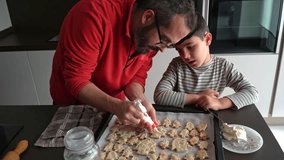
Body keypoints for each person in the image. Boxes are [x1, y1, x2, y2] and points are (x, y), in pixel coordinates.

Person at [50, 0, 197, 130]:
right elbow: (77, 80)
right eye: (164, 40)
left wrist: (141, 101)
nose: (163, 49)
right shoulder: (93, 14)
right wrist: (117, 106)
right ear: (147, 17)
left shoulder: (151, 36)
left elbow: (135, 77)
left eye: (169, 44)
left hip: (113, 106)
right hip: (73, 108)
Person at [154, 13, 259, 110]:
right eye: (179, 50)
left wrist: (221, 103)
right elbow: (160, 95)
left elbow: (252, 92)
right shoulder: (177, 65)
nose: (185, 56)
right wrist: (199, 97)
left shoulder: (223, 67)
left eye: (190, 47)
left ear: (208, 39)